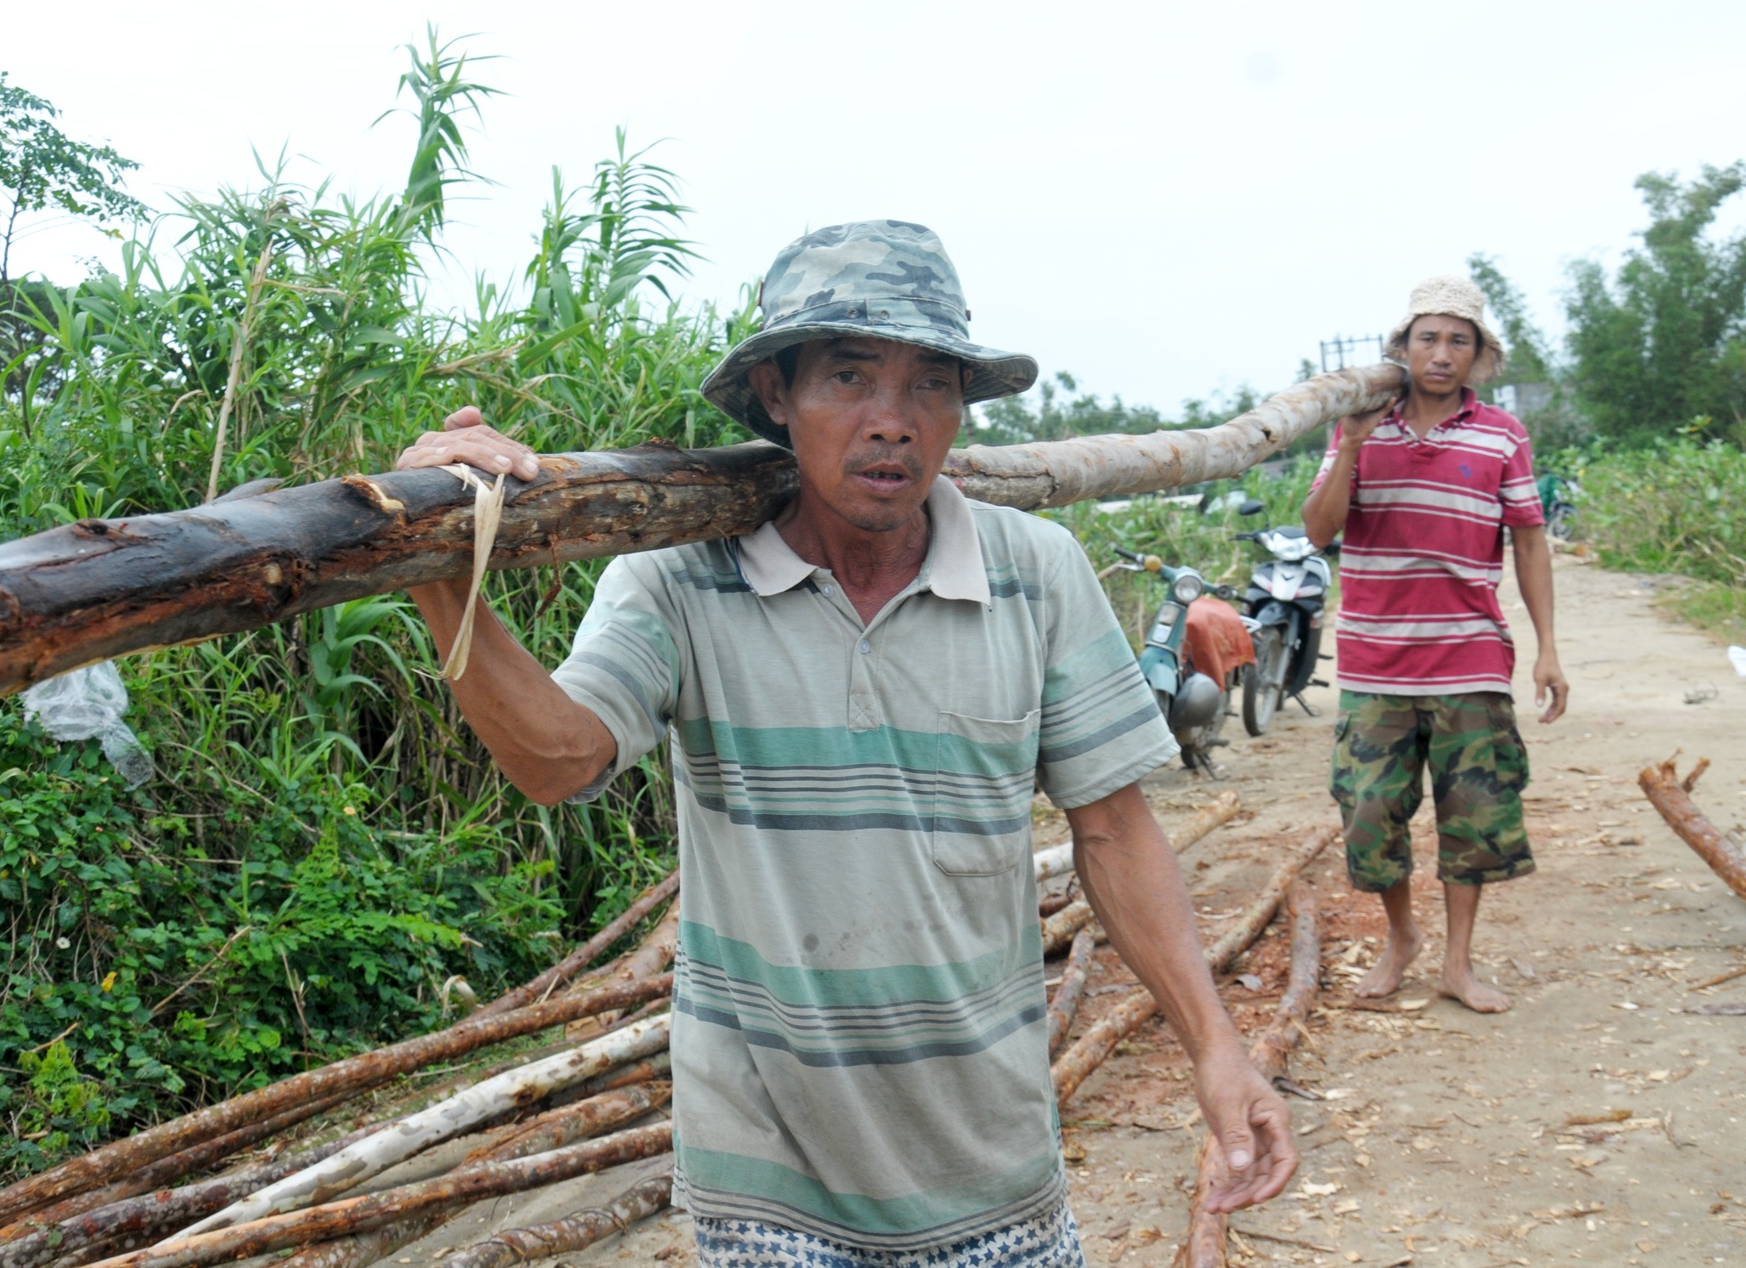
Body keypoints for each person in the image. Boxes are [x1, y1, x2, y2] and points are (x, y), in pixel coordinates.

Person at [397, 221, 1296, 1266]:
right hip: (768, 1184)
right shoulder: (680, 577)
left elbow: (1115, 833)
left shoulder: (1035, 574)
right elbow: (561, 760)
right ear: (776, 393)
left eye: (929, 385)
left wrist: (1217, 1048)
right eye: (849, 377)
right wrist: (440, 573)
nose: (893, 423)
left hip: (993, 1168)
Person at [1302, 275, 1570, 1015]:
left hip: (1470, 657)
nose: (1442, 354)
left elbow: (1529, 541)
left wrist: (1547, 648)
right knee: (1368, 812)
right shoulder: (1359, 427)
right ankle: (1402, 937)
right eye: (1429, 338)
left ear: (1479, 354)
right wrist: (1354, 444)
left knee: (1474, 814)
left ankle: (1458, 963)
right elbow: (1319, 529)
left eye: (1459, 340)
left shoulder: (1502, 434)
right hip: (1374, 663)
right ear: (1404, 346)